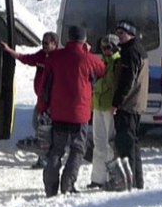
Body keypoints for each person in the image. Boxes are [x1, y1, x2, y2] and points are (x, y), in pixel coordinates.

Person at [38, 26, 105, 196]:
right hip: (79, 114)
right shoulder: (87, 58)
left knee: (56, 150)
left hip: (58, 113)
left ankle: (50, 188)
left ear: (68, 38)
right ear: (83, 40)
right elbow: (102, 70)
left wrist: (43, 108)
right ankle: (67, 185)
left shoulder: (55, 57)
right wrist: (86, 51)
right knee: (77, 150)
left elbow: (44, 85)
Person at [1, 32, 59, 169]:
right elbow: (25, 58)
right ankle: (45, 157)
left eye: (46, 43)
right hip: (41, 100)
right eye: (42, 42)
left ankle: (47, 159)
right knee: (37, 125)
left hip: (51, 102)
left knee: (45, 130)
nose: (43, 45)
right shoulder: (41, 55)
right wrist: (9, 51)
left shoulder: (59, 58)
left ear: (54, 44)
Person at [109, 21, 149, 191]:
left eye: (122, 33)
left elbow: (127, 81)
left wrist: (116, 103)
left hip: (128, 105)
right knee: (133, 144)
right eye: (117, 32)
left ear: (131, 34)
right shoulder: (138, 49)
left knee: (126, 145)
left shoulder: (130, 53)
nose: (119, 36)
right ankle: (137, 181)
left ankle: (129, 182)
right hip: (136, 103)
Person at [87, 34, 125, 191]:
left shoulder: (117, 62)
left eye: (108, 47)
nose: (105, 50)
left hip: (110, 107)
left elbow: (110, 83)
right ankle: (97, 178)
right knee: (98, 143)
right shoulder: (101, 61)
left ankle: (113, 177)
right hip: (98, 105)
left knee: (110, 144)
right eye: (103, 47)